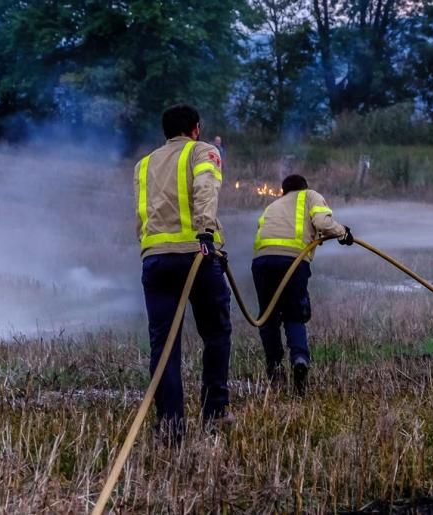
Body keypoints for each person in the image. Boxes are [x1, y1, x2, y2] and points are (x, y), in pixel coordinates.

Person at [135, 104, 232, 439]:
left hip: (156, 261)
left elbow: (141, 216)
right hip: (197, 254)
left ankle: (170, 425)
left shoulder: (144, 164)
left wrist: (147, 251)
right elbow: (207, 188)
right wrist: (206, 230)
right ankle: (215, 414)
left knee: (163, 346)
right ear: (196, 128)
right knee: (216, 332)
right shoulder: (203, 151)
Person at [251, 174, 353, 395]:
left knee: (268, 317)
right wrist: (343, 232)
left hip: (262, 262)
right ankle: (299, 359)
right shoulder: (309, 196)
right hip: (292, 261)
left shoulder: (273, 206)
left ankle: (274, 369)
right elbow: (323, 223)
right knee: (294, 313)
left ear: (283, 192)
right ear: (304, 188)